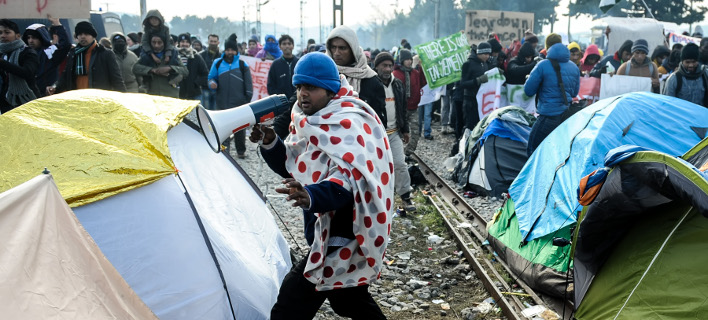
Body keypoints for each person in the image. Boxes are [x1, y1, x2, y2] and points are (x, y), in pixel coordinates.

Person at [249, 52, 390, 320]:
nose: (303, 94)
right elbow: (295, 165)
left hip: (342, 234)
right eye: (299, 87)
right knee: (348, 300)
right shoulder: (309, 121)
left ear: (329, 88)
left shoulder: (349, 121)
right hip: (324, 232)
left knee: (291, 301)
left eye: (311, 87)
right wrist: (270, 142)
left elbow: (344, 182)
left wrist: (310, 195)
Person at [524, 42, 580, 156]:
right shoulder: (574, 67)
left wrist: (531, 78)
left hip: (547, 116)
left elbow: (528, 91)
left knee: (533, 151)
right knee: (557, 153)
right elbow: (574, 93)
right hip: (566, 117)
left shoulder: (543, 65)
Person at [325, 25, 386, 129]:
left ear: (353, 49)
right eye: (333, 47)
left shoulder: (370, 80)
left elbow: (379, 122)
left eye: (342, 48)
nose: (336, 53)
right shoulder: (323, 75)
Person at [374, 51, 414, 206]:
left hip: (393, 133)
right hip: (376, 135)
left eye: (390, 65)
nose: (387, 69)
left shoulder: (397, 84)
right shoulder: (371, 84)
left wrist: (405, 129)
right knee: (377, 167)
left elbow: (402, 108)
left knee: (400, 164)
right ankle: (379, 199)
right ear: (377, 66)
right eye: (384, 65)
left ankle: (405, 196)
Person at [208, 33, 253, 158]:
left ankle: (241, 151)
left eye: (232, 49)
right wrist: (212, 83)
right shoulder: (217, 63)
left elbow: (249, 85)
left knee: (240, 129)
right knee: (223, 128)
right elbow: (211, 78)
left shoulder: (242, 65)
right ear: (224, 50)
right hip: (222, 103)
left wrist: (246, 100)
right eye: (227, 49)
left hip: (239, 103)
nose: (230, 52)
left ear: (236, 51)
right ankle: (224, 152)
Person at [50, 21, 126, 95]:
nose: (83, 36)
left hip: (99, 100)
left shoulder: (105, 53)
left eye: (86, 34)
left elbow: (116, 80)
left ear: (93, 36)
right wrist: (55, 87)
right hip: (77, 100)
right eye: (80, 34)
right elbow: (65, 76)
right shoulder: (74, 53)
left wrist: (123, 97)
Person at [22, 17, 70, 98]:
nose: (30, 41)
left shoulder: (49, 52)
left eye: (34, 38)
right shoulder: (22, 53)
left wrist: (57, 24)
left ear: (42, 37)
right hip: (27, 96)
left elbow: (65, 45)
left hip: (48, 95)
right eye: (28, 38)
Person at [0, 19, 40, 113]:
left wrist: (2, 63)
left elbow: (27, 72)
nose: (3, 36)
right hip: (6, 101)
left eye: (7, 32)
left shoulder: (27, 52)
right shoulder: (2, 53)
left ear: (18, 36)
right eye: (0, 33)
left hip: (25, 101)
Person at [393, 48, 427, 153]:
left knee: (416, 132)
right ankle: (398, 152)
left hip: (413, 108)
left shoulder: (415, 73)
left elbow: (422, 82)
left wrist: (421, 68)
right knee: (399, 132)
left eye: (410, 59)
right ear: (402, 60)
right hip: (400, 109)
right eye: (407, 59)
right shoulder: (395, 74)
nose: (409, 62)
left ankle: (408, 152)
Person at [133, 33, 187, 98]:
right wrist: (152, 70)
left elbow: (185, 71)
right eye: (154, 42)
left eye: (159, 43)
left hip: (170, 95)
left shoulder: (173, 56)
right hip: (151, 95)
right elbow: (135, 68)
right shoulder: (146, 56)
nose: (156, 45)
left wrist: (170, 68)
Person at [268, 34, 299, 139]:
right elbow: (270, 87)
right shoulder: (275, 65)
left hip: (298, 105)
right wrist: (279, 100)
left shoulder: (299, 63)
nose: (287, 46)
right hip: (281, 108)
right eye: (284, 44)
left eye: (289, 44)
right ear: (280, 47)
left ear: (293, 46)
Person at [459, 42, 492, 132]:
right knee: (469, 126)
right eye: (485, 54)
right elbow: (462, 83)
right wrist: (477, 81)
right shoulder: (468, 64)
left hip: (481, 101)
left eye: (488, 54)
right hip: (470, 100)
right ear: (479, 53)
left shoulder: (485, 65)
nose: (487, 56)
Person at [177, 33, 208, 100]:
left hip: (194, 94)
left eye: (187, 42)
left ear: (190, 44)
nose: (185, 44)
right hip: (177, 94)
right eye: (182, 42)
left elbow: (205, 74)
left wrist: (195, 83)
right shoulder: (173, 56)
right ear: (179, 43)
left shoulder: (196, 56)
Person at [200, 34, 220, 109]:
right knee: (206, 112)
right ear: (208, 41)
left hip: (218, 89)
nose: (213, 43)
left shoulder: (222, 56)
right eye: (211, 41)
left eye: (215, 41)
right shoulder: (201, 55)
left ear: (218, 42)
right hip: (204, 88)